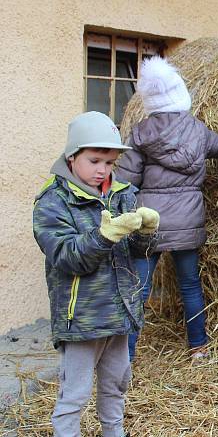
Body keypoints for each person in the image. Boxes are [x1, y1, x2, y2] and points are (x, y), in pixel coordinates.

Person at [33, 111, 159, 437]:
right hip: (82, 319)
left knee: (116, 386)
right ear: (72, 156)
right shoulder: (53, 201)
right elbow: (68, 257)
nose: (102, 169)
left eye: (110, 162)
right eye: (94, 160)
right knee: (74, 394)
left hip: (119, 313)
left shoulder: (121, 193)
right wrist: (104, 236)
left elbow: (136, 252)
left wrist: (146, 232)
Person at [117, 56, 218, 361]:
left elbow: (124, 180)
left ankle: (125, 355)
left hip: (150, 224)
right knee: (190, 285)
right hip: (187, 220)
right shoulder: (198, 131)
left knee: (139, 291)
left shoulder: (141, 134)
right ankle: (198, 345)